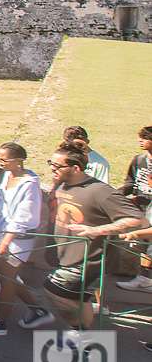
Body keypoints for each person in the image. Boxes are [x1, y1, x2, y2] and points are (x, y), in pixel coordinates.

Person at [45, 142, 143, 341]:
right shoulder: (62, 184)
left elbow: (136, 218)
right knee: (82, 299)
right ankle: (82, 337)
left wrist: (97, 230)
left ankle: (81, 333)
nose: (52, 169)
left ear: (76, 168)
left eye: (57, 166)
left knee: (54, 291)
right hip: (64, 253)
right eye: (50, 164)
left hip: (88, 259)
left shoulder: (100, 191)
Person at [0, 142, 51, 336]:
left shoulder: (30, 184)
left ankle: (0, 322)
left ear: (19, 161)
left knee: (7, 278)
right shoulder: (7, 175)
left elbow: (24, 216)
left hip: (16, 240)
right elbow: (8, 201)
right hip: (0, 232)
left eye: (3, 160)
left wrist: (6, 243)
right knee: (3, 274)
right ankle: (37, 310)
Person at [117, 126, 152, 292]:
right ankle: (144, 277)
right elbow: (130, 183)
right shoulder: (139, 160)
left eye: (144, 138)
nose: (140, 141)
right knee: (142, 244)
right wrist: (118, 194)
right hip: (140, 208)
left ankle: (144, 279)